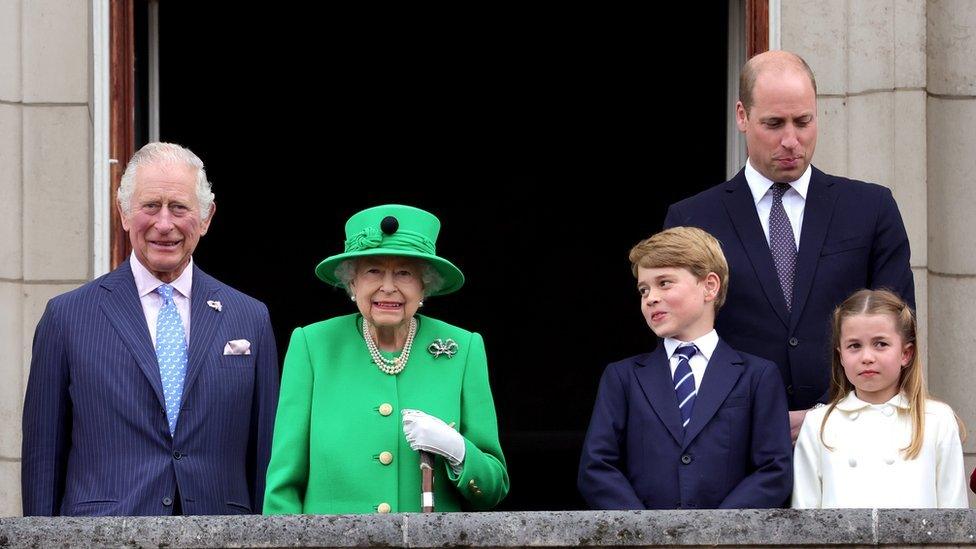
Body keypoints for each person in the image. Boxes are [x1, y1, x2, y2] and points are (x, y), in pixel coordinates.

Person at [663, 50, 915, 439]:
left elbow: (898, 330)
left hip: (853, 437)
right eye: (774, 123)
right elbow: (682, 349)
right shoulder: (692, 219)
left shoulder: (871, 209)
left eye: (803, 121)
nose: (791, 140)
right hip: (734, 442)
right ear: (742, 116)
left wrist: (824, 417)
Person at [22, 142, 280, 516]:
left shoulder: (250, 319)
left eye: (179, 207)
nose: (164, 224)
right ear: (124, 213)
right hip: (101, 538)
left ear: (206, 217)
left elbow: (266, 457)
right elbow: (42, 458)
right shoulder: (66, 317)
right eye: (150, 206)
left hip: (221, 537)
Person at [263, 204, 508, 514]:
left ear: (424, 286)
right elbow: (283, 487)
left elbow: (493, 488)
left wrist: (458, 451)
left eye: (404, 273)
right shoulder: (312, 346)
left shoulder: (464, 349)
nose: (388, 287)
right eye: (373, 271)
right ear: (352, 283)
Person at [578, 226, 792, 509]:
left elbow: (773, 470)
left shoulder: (758, 375)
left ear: (710, 286)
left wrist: (716, 530)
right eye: (644, 289)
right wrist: (645, 532)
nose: (650, 297)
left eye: (664, 283)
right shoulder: (622, 377)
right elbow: (597, 467)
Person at [792, 289, 967, 508]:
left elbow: (954, 516)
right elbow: (805, 517)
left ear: (906, 353)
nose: (867, 357)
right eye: (854, 346)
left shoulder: (936, 419)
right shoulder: (818, 423)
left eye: (880, 344)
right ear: (841, 356)